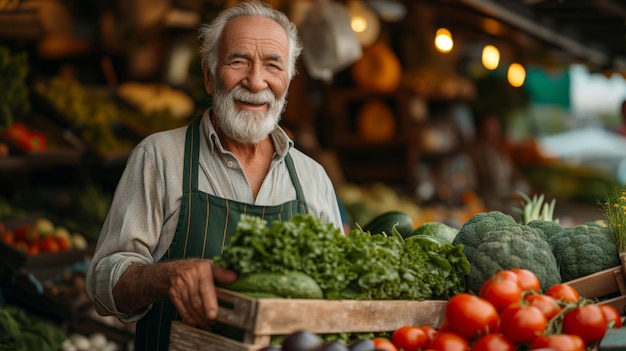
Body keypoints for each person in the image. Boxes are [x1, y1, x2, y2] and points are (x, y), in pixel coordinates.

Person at [85, 1, 345, 350]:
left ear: (288, 81)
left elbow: (333, 299)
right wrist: (166, 276)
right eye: (238, 61)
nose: (255, 82)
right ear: (209, 75)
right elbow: (104, 283)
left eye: (273, 65)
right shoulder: (160, 157)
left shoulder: (313, 178)